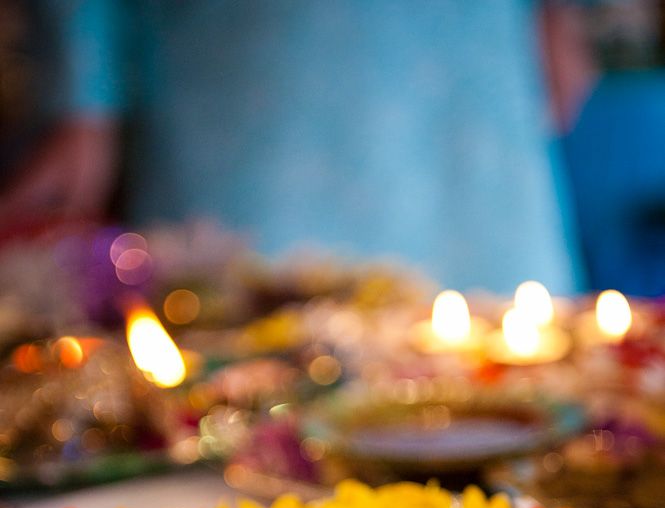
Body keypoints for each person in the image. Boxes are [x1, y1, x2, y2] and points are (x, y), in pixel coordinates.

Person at [0, 1, 584, 294]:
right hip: (257, 63)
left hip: (464, 47)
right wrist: (82, 90)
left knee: (515, 359)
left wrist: (559, 8)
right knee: (248, 345)